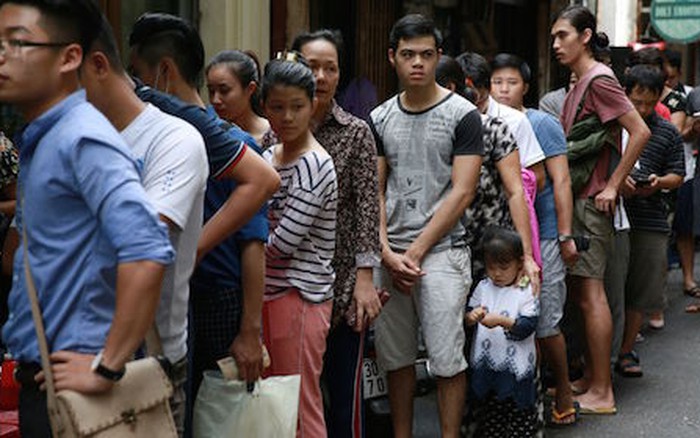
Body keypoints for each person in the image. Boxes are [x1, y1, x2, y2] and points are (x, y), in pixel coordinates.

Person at [0, 1, 175, 435]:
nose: (3, 54)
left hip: (80, 394)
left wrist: (107, 366)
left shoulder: (82, 139)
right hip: (47, 380)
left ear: (70, 57)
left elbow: (147, 248)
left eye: (18, 42)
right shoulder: (48, 138)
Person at [80, 18, 208, 434]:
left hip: (145, 361)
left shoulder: (177, 137)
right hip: (69, 355)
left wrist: (107, 362)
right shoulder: (62, 139)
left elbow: (138, 247)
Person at [371, 15, 483, 438]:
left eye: (426, 54)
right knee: (395, 359)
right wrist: (386, 252)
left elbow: (463, 191)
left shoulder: (463, 115)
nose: (417, 63)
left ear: (438, 56)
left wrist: (413, 254)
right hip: (391, 253)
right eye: (407, 55)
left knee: (446, 359)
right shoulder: (379, 117)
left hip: (441, 253)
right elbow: (376, 192)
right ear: (392, 58)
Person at [552, 5, 650, 414]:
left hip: (592, 203)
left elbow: (639, 131)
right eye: (554, 38)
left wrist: (612, 185)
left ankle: (603, 392)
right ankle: (592, 380)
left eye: (563, 36)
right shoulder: (581, 81)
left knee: (592, 296)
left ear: (586, 36)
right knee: (582, 295)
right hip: (579, 200)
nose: (556, 44)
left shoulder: (599, 78)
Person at [288, 29, 381, 438]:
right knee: (296, 395)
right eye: (312, 67)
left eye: (331, 68)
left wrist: (365, 280)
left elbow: (367, 208)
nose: (322, 77)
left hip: (342, 284)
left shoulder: (356, 131)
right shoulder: (279, 126)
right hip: (288, 282)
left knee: (345, 398)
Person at [128, 12, 280, 262]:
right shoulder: (159, 134)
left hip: (219, 293)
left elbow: (253, 247)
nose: (134, 89)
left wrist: (194, 250)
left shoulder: (230, 143)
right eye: (212, 90)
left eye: (136, 75)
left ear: (165, 70)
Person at [490, 52, 579, 426]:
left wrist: (564, 233)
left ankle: (564, 390)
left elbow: (557, 180)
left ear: (526, 86)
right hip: (501, 238)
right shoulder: (484, 119)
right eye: (498, 83)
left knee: (544, 322)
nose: (504, 89)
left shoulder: (540, 122)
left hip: (540, 233)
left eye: (512, 82)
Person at [261, 52, 338, 438]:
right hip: (266, 293)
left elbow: (281, 244)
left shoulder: (315, 164)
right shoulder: (265, 157)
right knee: (273, 406)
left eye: (297, 107)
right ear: (264, 107)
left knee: (300, 406)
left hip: (300, 296)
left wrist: (244, 249)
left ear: (313, 105)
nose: (287, 117)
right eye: (277, 107)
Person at [435, 55, 533, 284]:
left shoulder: (493, 128)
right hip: (438, 247)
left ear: (449, 88)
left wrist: (526, 255)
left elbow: (515, 191)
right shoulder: (423, 131)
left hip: (492, 252)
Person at [615, 64, 684, 376]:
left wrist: (658, 182)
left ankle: (626, 352)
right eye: (635, 101)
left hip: (650, 219)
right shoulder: (613, 124)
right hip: (614, 216)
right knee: (609, 288)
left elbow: (677, 175)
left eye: (648, 102)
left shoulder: (667, 131)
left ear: (658, 97)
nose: (641, 109)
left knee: (639, 292)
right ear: (625, 94)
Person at [465, 227, 539, 437]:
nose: (497, 273)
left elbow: (528, 324)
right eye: (491, 267)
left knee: (520, 419)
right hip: (488, 364)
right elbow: (468, 316)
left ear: (519, 263)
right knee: (492, 420)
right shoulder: (483, 286)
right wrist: (471, 318)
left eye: (504, 267)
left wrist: (501, 321)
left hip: (516, 367)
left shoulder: (525, 289)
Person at [205, 49, 270, 145]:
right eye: (211, 91)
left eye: (224, 91)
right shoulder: (207, 128)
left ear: (250, 89)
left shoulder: (274, 135)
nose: (215, 100)